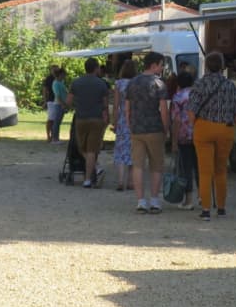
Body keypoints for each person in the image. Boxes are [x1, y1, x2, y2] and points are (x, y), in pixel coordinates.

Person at [188, 52, 236, 221]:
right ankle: (221, 209)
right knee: (221, 170)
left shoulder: (199, 84)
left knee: (205, 171)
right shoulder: (230, 85)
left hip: (203, 128)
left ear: (206, 66)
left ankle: (205, 210)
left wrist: (196, 125)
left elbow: (191, 111)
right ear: (222, 66)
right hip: (225, 129)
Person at [125, 52, 170, 214]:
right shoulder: (159, 83)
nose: (162, 68)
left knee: (138, 165)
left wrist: (130, 125)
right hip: (154, 128)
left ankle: (141, 201)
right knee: (156, 166)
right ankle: (155, 200)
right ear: (154, 65)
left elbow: (127, 108)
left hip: (137, 128)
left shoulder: (132, 83)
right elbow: (163, 110)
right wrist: (166, 128)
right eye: (161, 64)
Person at [67, 58, 110, 188]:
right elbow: (105, 104)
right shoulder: (102, 84)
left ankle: (91, 174)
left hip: (81, 118)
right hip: (96, 119)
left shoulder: (76, 82)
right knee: (92, 149)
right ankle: (92, 173)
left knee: (82, 148)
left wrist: (77, 105)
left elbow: (69, 101)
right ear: (96, 68)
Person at [169, 71, 198, 210]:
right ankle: (203, 197)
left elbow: (176, 120)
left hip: (184, 136)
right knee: (199, 167)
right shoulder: (198, 95)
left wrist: (174, 142)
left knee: (186, 168)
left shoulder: (177, 97)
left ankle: (189, 200)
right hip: (199, 134)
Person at [112, 59, 136, 190]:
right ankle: (131, 181)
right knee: (133, 149)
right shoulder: (136, 83)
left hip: (122, 119)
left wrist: (114, 122)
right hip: (134, 119)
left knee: (121, 149)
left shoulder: (118, 84)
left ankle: (121, 181)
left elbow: (116, 105)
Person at [50, 67, 68, 144]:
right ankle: (54, 139)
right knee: (57, 122)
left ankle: (56, 138)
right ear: (60, 74)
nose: (65, 76)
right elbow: (58, 96)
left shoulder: (61, 82)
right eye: (64, 74)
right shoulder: (56, 83)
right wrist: (63, 104)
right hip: (58, 104)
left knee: (58, 122)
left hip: (62, 104)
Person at [43, 65, 60, 142]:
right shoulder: (48, 79)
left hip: (58, 101)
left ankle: (54, 135)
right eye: (54, 70)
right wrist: (45, 101)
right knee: (51, 119)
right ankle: (48, 136)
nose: (56, 72)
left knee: (56, 119)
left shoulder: (59, 78)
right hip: (51, 101)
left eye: (57, 70)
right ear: (51, 71)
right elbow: (45, 90)